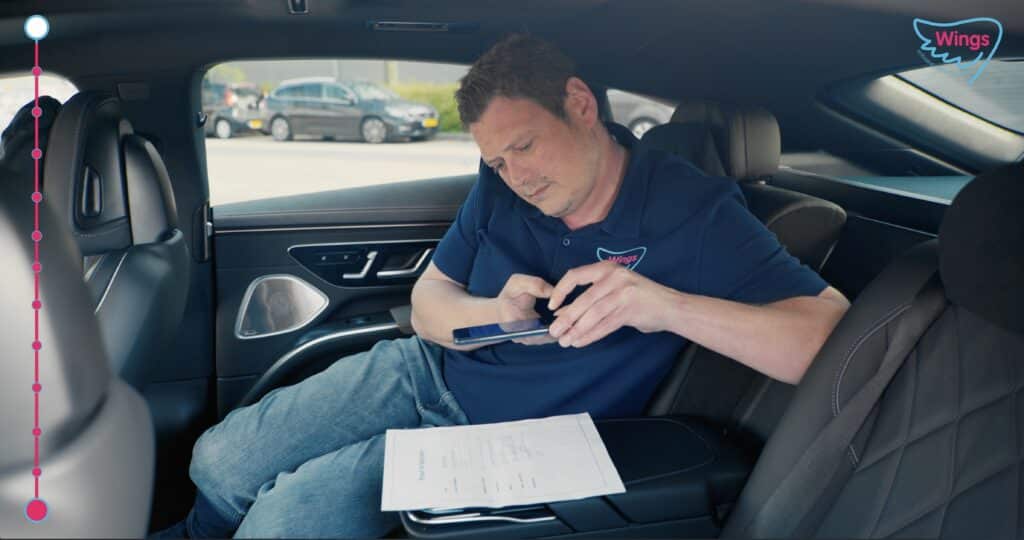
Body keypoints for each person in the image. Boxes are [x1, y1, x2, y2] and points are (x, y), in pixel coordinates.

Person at [151, 34, 850, 538]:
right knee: (222, 459)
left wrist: (662, 305)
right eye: (495, 158)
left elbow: (826, 336)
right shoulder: (499, 189)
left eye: (524, 146)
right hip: (423, 371)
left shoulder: (691, 211)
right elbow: (429, 302)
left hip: (502, 441)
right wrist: (490, 311)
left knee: (283, 520)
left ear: (579, 104)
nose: (515, 175)